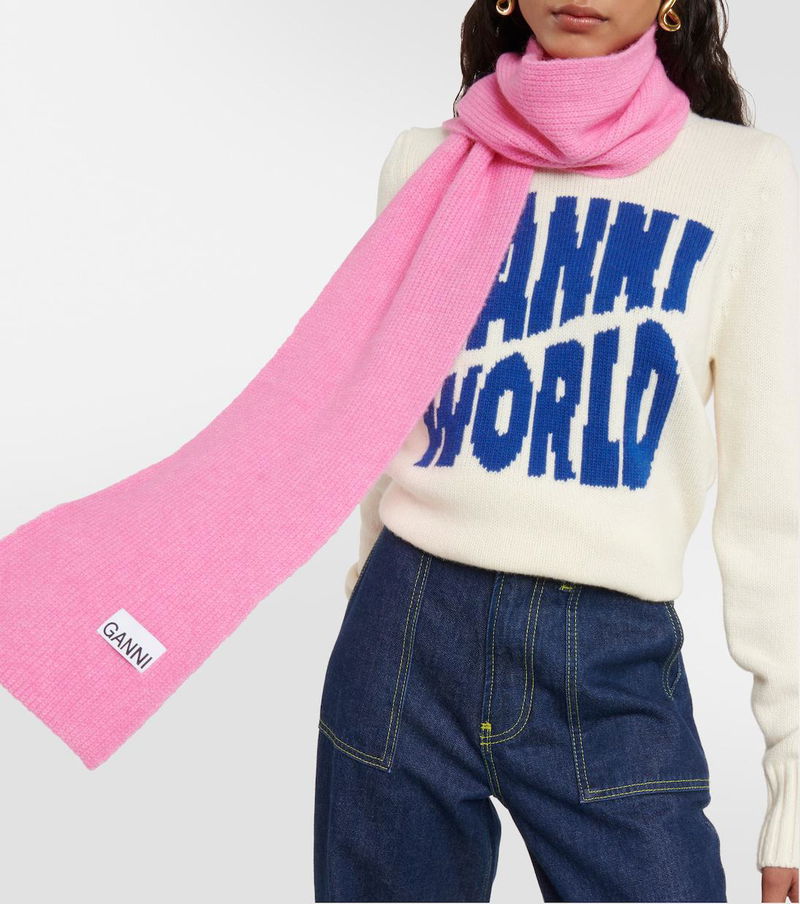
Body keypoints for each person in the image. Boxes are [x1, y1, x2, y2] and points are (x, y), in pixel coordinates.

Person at [315, 1, 800, 902]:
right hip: (405, 630)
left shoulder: (743, 178)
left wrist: (793, 784)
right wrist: (366, 613)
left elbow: (774, 499)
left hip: (609, 658)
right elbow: (385, 426)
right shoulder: (424, 162)